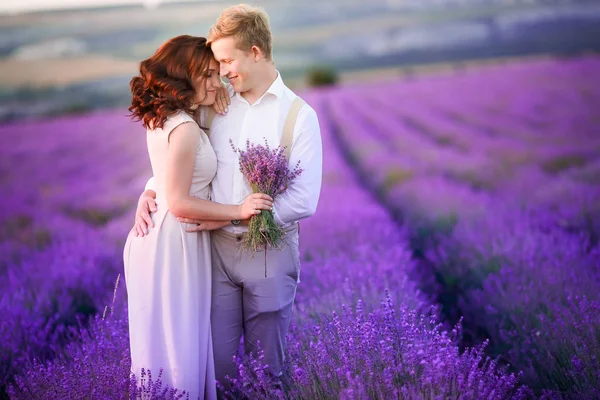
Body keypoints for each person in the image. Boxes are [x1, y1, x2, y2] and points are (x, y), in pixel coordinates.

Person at [134, 4, 323, 389]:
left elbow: (305, 200)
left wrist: (239, 216)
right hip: (214, 253)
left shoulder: (299, 116)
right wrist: (151, 189)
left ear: (255, 52)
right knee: (214, 369)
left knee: (267, 372)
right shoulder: (215, 105)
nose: (221, 72)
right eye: (216, 64)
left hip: (269, 251)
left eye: (226, 61)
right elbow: (181, 158)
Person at [123, 34, 274, 400]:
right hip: (177, 239)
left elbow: (165, 178)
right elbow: (179, 200)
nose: (217, 81)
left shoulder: (168, 116)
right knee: (180, 342)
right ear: (181, 76)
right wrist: (238, 211)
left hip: (159, 236)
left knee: (160, 342)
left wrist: (149, 190)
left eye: (216, 72)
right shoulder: (186, 127)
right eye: (206, 75)